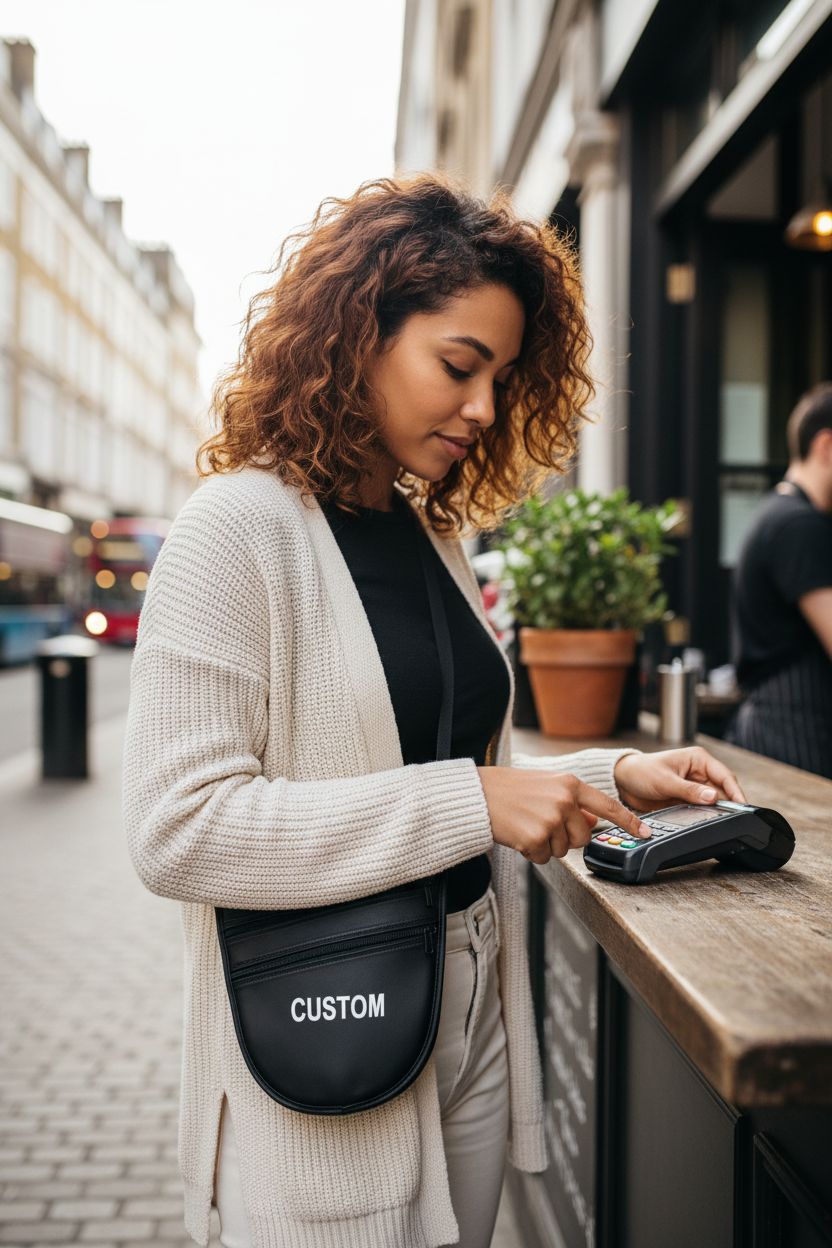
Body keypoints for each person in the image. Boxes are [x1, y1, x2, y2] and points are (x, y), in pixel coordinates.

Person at [122, 172, 745, 1248]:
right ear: (357, 333)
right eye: (458, 366)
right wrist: (475, 801)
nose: (485, 409)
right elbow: (179, 831)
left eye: (503, 377)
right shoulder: (236, 529)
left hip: (466, 1002)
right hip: (325, 1022)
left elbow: (449, 758)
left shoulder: (427, 535)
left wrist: (605, 778)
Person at [727, 383, 832, 778]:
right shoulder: (799, 525)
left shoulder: (778, 513)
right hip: (793, 734)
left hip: (778, 727)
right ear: (826, 445)